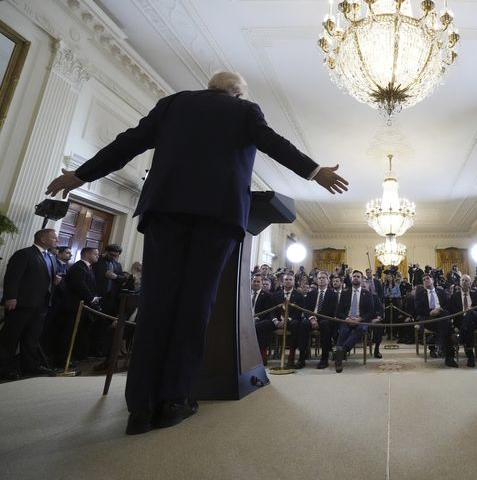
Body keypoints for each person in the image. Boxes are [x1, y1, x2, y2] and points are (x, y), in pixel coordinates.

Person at [45, 71, 348, 434]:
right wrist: (317, 173)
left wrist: (80, 175)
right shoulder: (244, 111)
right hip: (217, 217)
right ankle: (174, 401)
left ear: (211, 87)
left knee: (155, 306)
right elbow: (274, 143)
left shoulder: (172, 104)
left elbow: (128, 143)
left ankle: (140, 409)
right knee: (194, 307)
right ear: (237, 93)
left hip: (164, 213)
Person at [0, 229, 60, 379]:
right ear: (42, 238)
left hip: (41, 305)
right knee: (10, 338)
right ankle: (3, 368)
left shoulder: (51, 257)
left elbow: (46, 277)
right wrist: (11, 297)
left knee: (32, 338)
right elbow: (12, 277)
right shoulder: (24, 254)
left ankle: (30, 366)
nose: (56, 240)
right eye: (53, 237)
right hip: (21, 304)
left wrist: (55, 280)